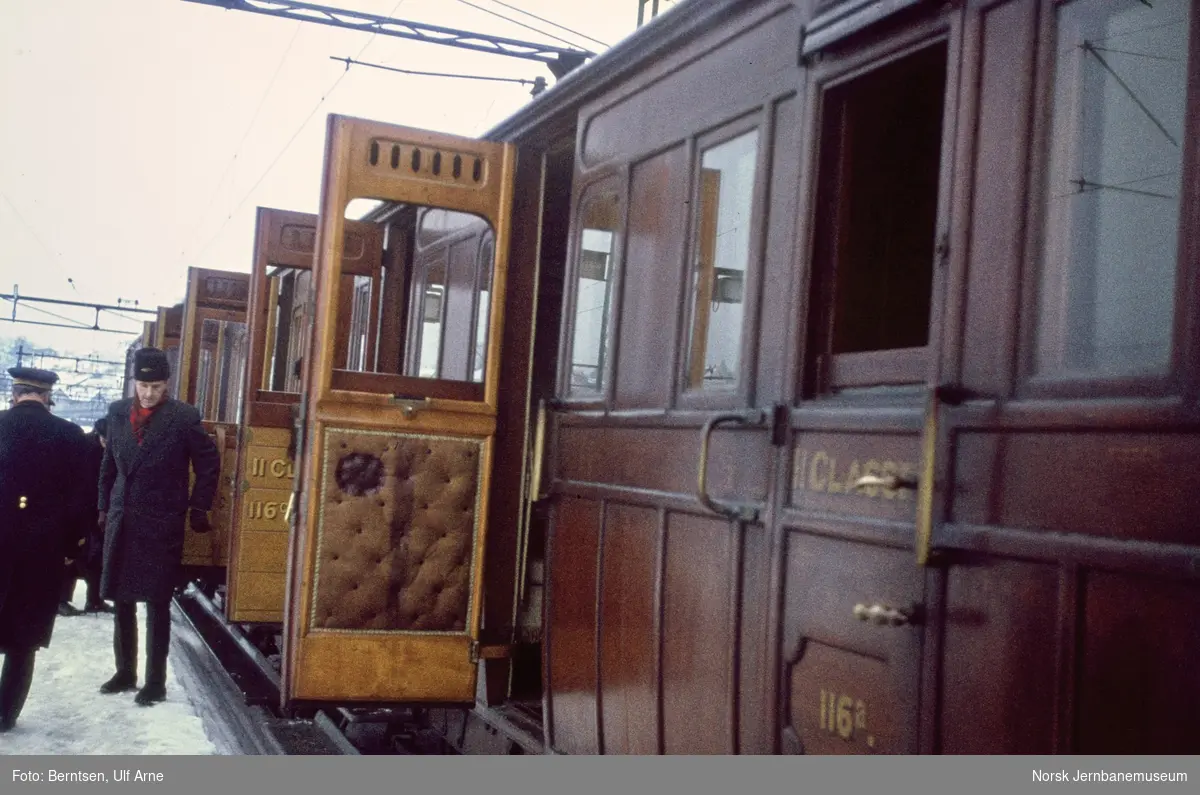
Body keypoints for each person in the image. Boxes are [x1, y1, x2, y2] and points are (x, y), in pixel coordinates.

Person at [97, 347, 220, 706]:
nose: (149, 393)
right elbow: (108, 464)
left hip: (160, 522)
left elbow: (208, 462)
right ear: (134, 382)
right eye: (143, 385)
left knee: (156, 603)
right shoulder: (118, 413)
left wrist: (198, 506)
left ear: (166, 384)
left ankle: (155, 681)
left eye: (156, 386)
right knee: (121, 599)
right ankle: (125, 672)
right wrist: (103, 506)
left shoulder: (183, 418)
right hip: (122, 518)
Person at [0, 367, 91, 731]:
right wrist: (71, 548)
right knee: (24, 638)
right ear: (48, 396)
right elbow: (80, 502)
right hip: (42, 553)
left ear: (14, 391)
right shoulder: (70, 436)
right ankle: (5, 715)